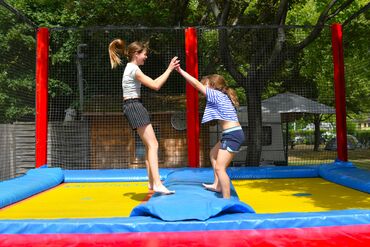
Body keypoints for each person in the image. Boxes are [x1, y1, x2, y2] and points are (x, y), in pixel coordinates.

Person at [109, 38, 179, 195]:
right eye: (144, 54)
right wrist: (169, 69)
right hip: (134, 106)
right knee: (153, 145)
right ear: (136, 54)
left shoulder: (130, 68)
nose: (146, 57)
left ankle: (152, 183)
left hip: (132, 106)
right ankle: (158, 184)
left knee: (149, 146)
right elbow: (155, 85)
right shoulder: (133, 69)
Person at [176, 67, 245, 199]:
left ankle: (226, 199)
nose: (203, 87)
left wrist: (180, 71)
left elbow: (195, 84)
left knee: (220, 168)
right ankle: (217, 184)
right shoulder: (221, 96)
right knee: (213, 154)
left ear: (212, 86)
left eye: (205, 84)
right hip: (230, 134)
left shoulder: (216, 94)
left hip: (233, 135)